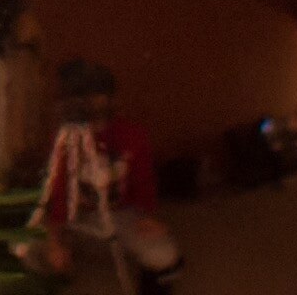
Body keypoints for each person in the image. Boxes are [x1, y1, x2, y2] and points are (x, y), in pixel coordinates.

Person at [35, 59, 185, 293]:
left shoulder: (133, 136)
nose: (91, 105)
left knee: (164, 257)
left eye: (97, 97)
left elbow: (144, 182)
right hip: (78, 215)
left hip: (120, 213)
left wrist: (148, 215)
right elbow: (58, 191)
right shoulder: (64, 139)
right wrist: (56, 240)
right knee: (28, 251)